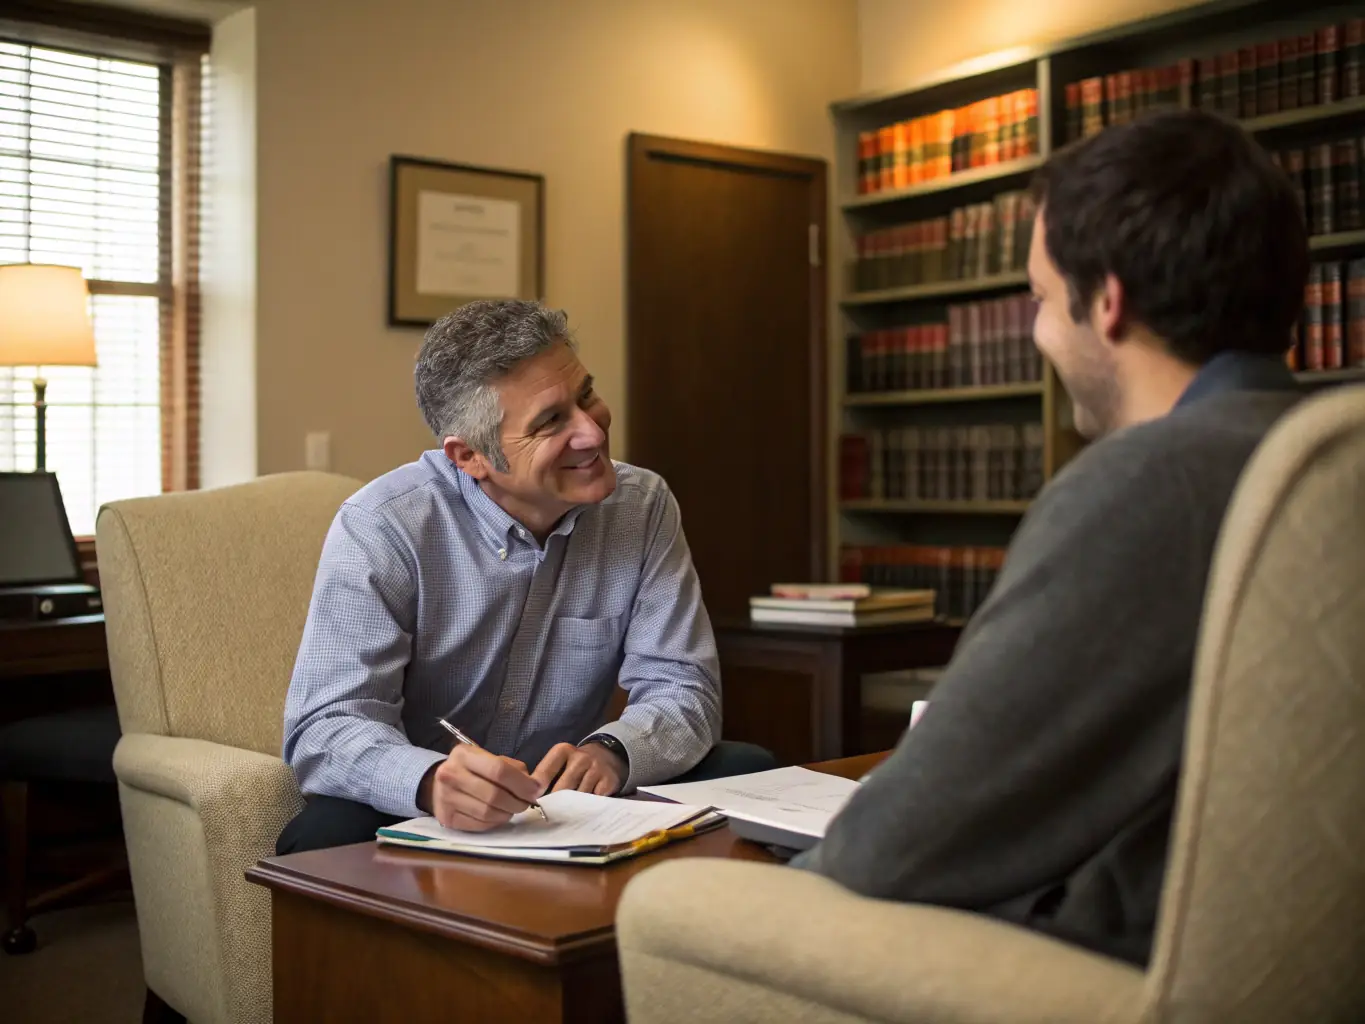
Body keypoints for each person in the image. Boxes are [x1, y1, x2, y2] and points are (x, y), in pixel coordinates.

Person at [792, 108, 1307, 966]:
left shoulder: (1141, 486)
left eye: (1037, 299)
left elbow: (894, 846)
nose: (1034, 333)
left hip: (1112, 965)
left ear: (1106, 302)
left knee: (694, 907)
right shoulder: (1325, 453)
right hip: (1287, 962)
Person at [277, 299, 773, 854]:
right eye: (550, 421)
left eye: (585, 396)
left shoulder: (642, 506)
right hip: (429, 802)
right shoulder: (383, 527)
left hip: (567, 799)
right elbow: (327, 724)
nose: (591, 431)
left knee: (747, 767)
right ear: (470, 456)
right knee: (319, 839)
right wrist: (429, 781)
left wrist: (613, 750)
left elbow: (685, 687)